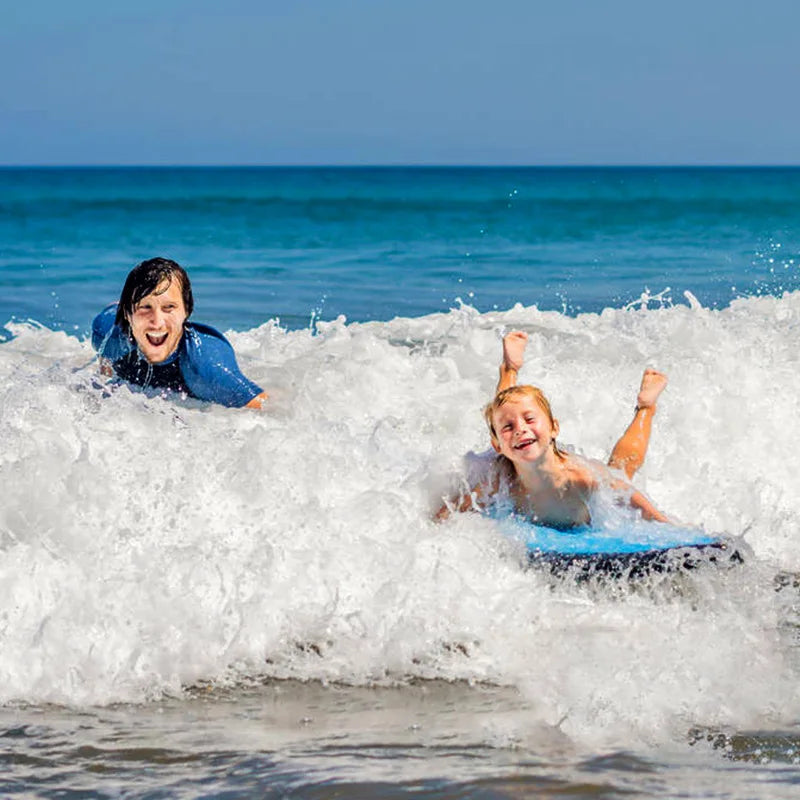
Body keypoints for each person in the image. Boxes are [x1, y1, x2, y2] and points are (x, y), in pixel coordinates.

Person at [436, 331, 670, 528]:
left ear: (554, 428)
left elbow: (626, 491)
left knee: (621, 469)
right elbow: (452, 513)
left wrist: (669, 526)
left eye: (530, 420)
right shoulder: (500, 480)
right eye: (509, 429)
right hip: (511, 455)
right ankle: (509, 369)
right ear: (496, 445)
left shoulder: (581, 479)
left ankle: (646, 408)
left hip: (582, 476)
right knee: (505, 409)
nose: (520, 429)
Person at [91, 258, 267, 409]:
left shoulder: (206, 367)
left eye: (169, 307)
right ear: (128, 314)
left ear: (187, 311)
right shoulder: (107, 334)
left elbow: (269, 408)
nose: (157, 322)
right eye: (145, 307)